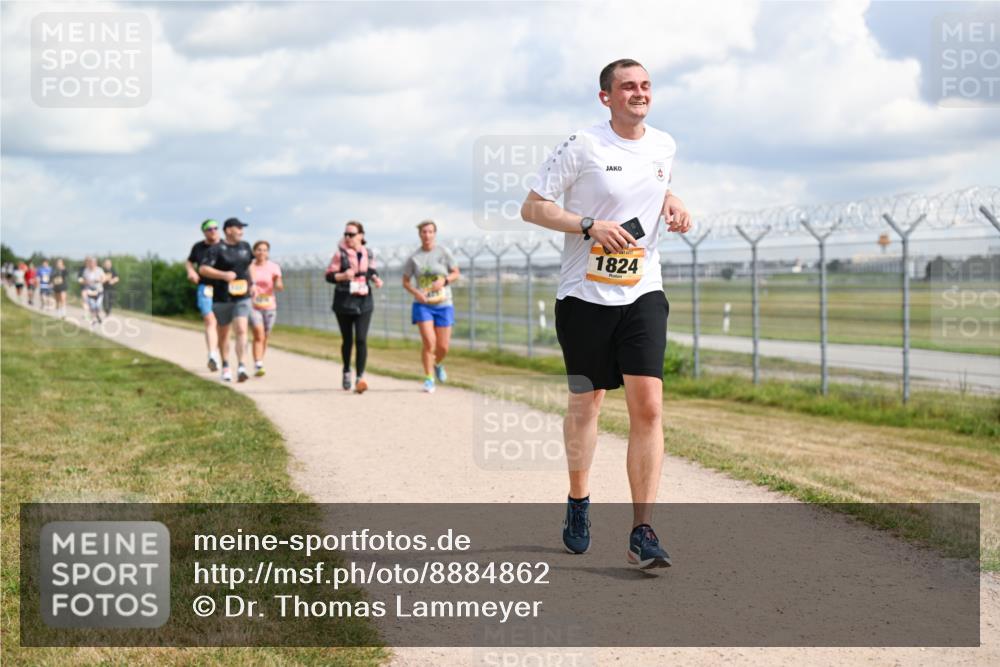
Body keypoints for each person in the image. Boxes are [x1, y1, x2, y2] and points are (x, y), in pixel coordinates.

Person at [520, 58, 691, 569]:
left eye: (645, 85)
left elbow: (653, 185)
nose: (639, 93)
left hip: (642, 290)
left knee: (649, 408)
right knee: (587, 404)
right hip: (584, 296)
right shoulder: (583, 145)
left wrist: (674, 201)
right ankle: (579, 502)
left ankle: (643, 528)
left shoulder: (664, 144)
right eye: (627, 87)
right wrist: (589, 224)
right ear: (606, 97)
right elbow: (533, 207)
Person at [401, 220, 459, 393]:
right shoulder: (414, 257)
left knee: (443, 347)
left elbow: (456, 272)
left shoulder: (443, 252)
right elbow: (405, 281)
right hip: (423, 304)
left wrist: (445, 280)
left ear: (435, 233)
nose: (427, 235)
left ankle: (437, 364)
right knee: (429, 343)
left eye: (430, 231)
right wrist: (416, 292)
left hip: (444, 303)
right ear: (419, 234)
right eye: (424, 232)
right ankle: (428, 379)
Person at [325, 221, 383, 393]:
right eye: (346, 234)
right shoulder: (339, 255)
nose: (348, 237)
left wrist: (376, 278)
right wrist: (342, 276)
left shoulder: (369, 253)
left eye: (352, 234)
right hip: (344, 301)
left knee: (361, 339)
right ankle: (346, 371)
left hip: (364, 301)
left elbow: (371, 271)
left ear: (361, 236)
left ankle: (360, 377)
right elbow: (328, 276)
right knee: (348, 340)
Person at [198, 218, 254, 383]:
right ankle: (226, 365)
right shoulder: (216, 249)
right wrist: (223, 275)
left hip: (242, 295)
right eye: (239, 228)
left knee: (242, 329)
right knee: (224, 334)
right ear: (228, 230)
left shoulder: (245, 247)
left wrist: (254, 283)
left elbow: (249, 266)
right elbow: (203, 268)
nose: (241, 231)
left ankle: (242, 366)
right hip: (222, 297)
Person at [186, 219, 223, 371]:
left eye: (215, 228)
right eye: (209, 229)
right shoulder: (198, 247)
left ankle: (222, 355)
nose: (213, 231)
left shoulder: (225, 246)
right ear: (204, 231)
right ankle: (212, 355)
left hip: (223, 288)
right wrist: (191, 271)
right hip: (206, 287)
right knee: (209, 319)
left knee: (223, 324)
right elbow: (189, 261)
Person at [248, 240, 283, 377]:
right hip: (253, 305)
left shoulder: (274, 267)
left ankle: (260, 359)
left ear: (268, 252)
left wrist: (278, 283)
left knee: (265, 336)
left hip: (269, 305)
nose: (261, 252)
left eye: (264, 250)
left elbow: (279, 284)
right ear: (254, 251)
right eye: (259, 249)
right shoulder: (249, 267)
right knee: (258, 333)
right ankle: (258, 364)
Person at [78, 256, 106, 326]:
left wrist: (99, 280)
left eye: (93, 263)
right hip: (90, 290)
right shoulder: (86, 270)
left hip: (99, 290)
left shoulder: (100, 270)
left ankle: (97, 315)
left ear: (95, 263)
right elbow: (83, 279)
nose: (91, 264)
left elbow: (104, 278)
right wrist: (85, 282)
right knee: (92, 305)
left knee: (98, 306)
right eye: (90, 263)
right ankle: (94, 320)